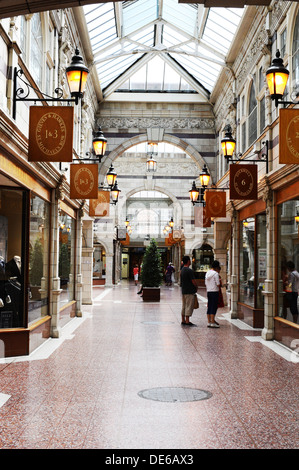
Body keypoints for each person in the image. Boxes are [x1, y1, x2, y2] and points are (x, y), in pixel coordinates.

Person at [180, 255, 198, 326]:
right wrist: (196, 286)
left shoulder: (182, 270)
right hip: (190, 291)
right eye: (190, 260)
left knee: (184, 305)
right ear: (188, 261)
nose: (190, 261)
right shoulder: (189, 270)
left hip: (184, 290)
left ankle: (183, 320)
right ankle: (187, 321)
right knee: (189, 306)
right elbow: (193, 281)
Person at [205, 260, 221, 328]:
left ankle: (209, 321)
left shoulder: (207, 273)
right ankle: (212, 322)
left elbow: (205, 283)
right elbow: (218, 284)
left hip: (209, 291)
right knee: (214, 306)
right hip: (214, 291)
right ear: (217, 267)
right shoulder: (216, 274)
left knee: (209, 306)